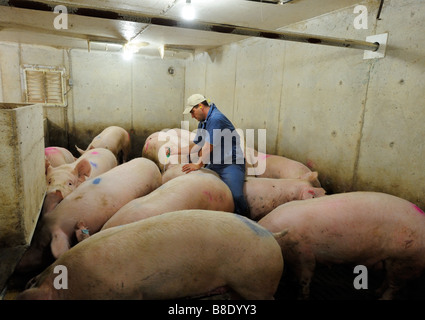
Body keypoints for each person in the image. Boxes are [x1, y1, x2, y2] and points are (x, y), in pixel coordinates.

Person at [179, 93, 250, 217]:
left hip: (230, 164)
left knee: (236, 196)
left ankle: (247, 223)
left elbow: (207, 147)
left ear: (200, 106)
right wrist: (176, 151)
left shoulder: (216, 119)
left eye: (192, 112)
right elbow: (197, 144)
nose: (192, 116)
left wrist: (198, 165)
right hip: (215, 163)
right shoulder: (203, 122)